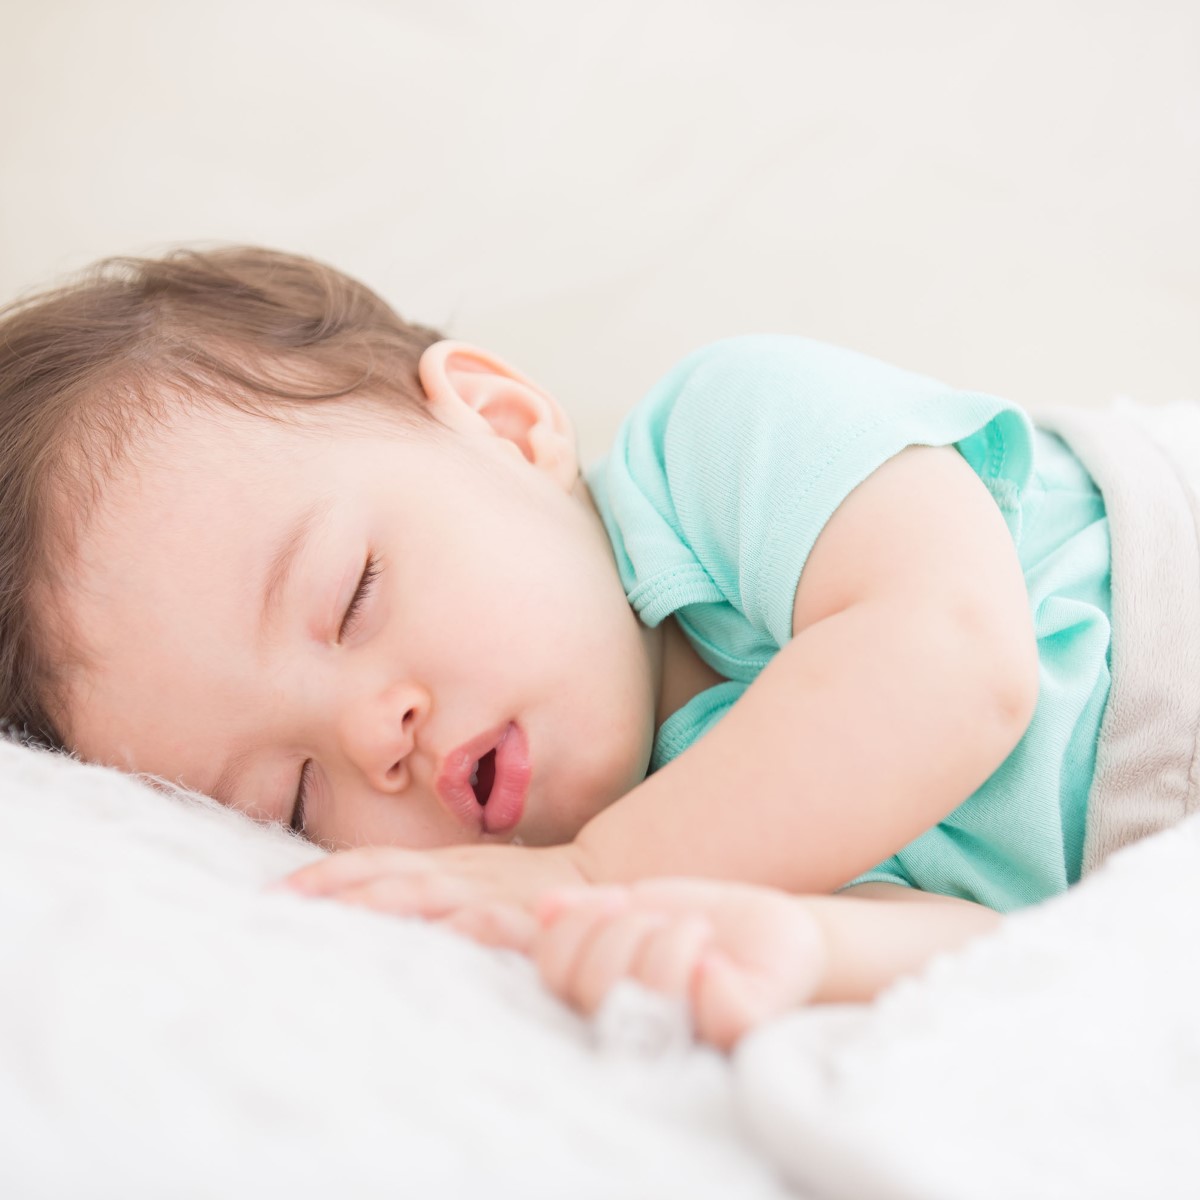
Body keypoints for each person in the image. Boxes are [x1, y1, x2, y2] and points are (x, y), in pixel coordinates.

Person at [0, 245, 1158, 1051]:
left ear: (503, 424)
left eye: (353, 594)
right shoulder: (698, 840)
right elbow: (994, 947)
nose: (372, 736)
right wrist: (794, 945)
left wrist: (598, 874)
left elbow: (956, 660)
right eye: (293, 800)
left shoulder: (727, 440)